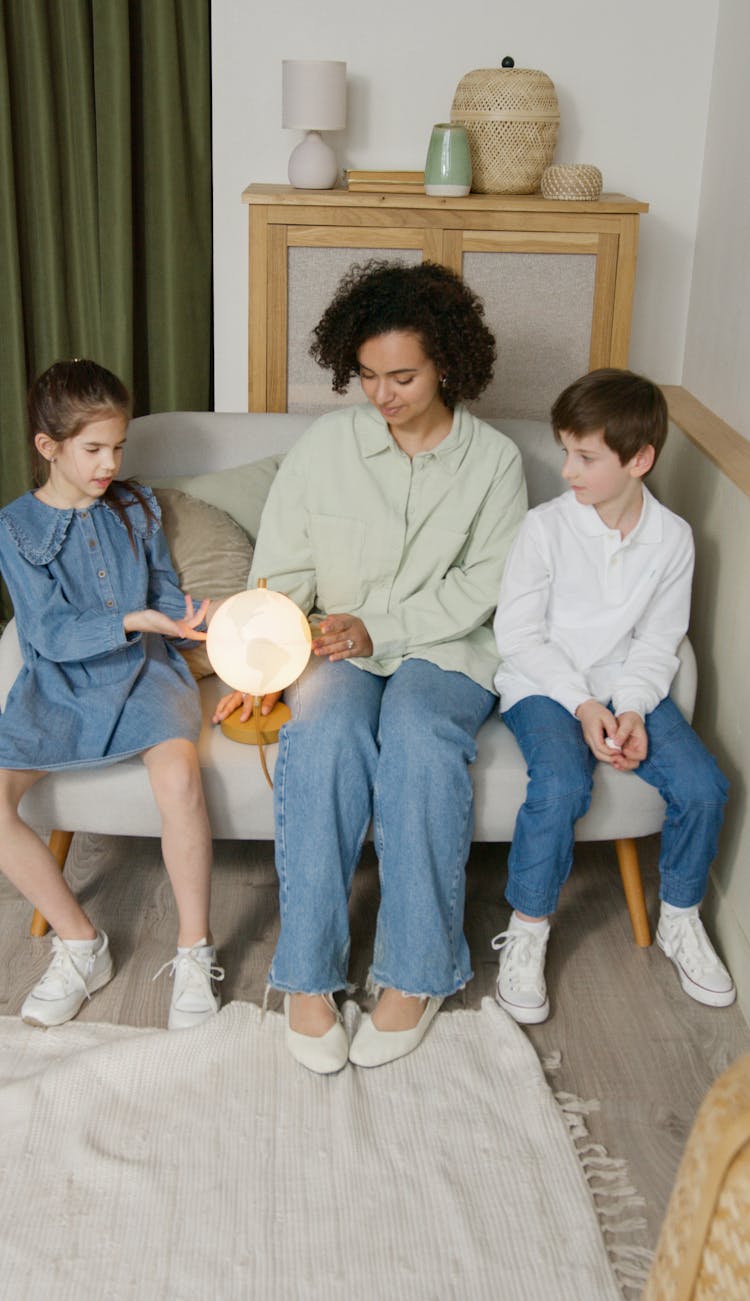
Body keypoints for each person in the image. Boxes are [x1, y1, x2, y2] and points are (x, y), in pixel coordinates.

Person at [214, 259, 527, 1073]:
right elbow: (280, 573)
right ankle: (310, 977)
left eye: (402, 376)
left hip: (447, 648)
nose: (381, 394)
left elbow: (484, 586)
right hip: (331, 645)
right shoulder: (325, 447)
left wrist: (378, 626)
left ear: (448, 364)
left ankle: (416, 973)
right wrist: (268, 663)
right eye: (366, 376)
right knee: (320, 735)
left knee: (421, 735)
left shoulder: (493, 463)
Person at [492, 367, 735, 1024]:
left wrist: (629, 707)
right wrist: (583, 704)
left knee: (705, 785)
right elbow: (517, 635)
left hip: (628, 684)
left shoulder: (673, 540)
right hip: (543, 683)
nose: (567, 468)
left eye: (585, 456)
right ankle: (529, 927)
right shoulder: (544, 528)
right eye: (566, 450)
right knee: (563, 784)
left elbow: (660, 642)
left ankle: (681, 917)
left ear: (640, 459)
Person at [0, 359, 224, 1030]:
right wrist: (129, 619)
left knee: (182, 779)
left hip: (146, 674)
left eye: (118, 446)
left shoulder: (137, 505)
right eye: (94, 448)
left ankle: (193, 949)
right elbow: (46, 631)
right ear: (49, 447)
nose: (110, 462)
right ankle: (79, 942)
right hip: (61, 684)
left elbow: (159, 591)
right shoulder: (14, 527)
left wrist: (195, 618)